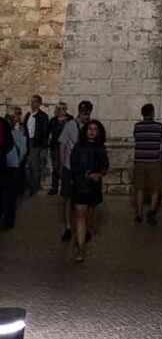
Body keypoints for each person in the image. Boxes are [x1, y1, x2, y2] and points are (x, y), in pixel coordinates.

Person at [70, 119, 108, 262]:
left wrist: (99, 174)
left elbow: (104, 165)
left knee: (88, 214)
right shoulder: (78, 147)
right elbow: (74, 165)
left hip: (93, 187)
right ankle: (80, 248)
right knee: (80, 215)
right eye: (89, 128)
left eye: (95, 129)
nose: (92, 131)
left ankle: (85, 234)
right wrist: (82, 177)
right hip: (80, 185)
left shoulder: (100, 148)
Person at [58, 99, 93, 242]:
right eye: (84, 113)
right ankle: (67, 227)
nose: (86, 116)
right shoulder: (69, 126)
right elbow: (63, 146)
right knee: (68, 198)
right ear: (79, 112)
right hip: (70, 167)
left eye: (88, 113)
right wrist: (63, 165)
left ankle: (85, 227)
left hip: (85, 169)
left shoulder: (91, 128)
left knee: (86, 200)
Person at [133, 103, 162, 225]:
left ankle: (139, 214)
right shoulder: (159, 126)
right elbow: (161, 139)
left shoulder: (137, 126)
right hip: (154, 161)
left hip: (140, 160)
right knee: (155, 188)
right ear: (152, 113)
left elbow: (136, 138)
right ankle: (151, 212)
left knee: (139, 188)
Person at [1, 110, 27, 229]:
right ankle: (7, 219)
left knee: (9, 195)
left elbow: (22, 150)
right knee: (9, 196)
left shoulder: (16, 134)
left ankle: (7, 219)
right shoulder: (15, 134)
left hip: (9, 167)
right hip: (10, 166)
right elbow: (22, 151)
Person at [23, 94, 49, 195]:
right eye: (32, 101)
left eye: (35, 102)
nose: (33, 104)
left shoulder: (43, 116)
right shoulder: (28, 115)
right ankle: (30, 185)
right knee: (27, 166)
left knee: (35, 167)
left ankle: (34, 188)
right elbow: (25, 129)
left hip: (36, 143)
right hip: (27, 141)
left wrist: (43, 147)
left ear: (39, 104)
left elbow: (45, 132)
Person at [47, 102, 71, 195]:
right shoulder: (53, 120)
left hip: (67, 146)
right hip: (55, 146)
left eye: (63, 108)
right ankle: (54, 187)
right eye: (60, 108)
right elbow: (48, 132)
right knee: (56, 167)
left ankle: (65, 187)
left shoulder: (70, 119)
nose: (62, 110)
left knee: (66, 166)